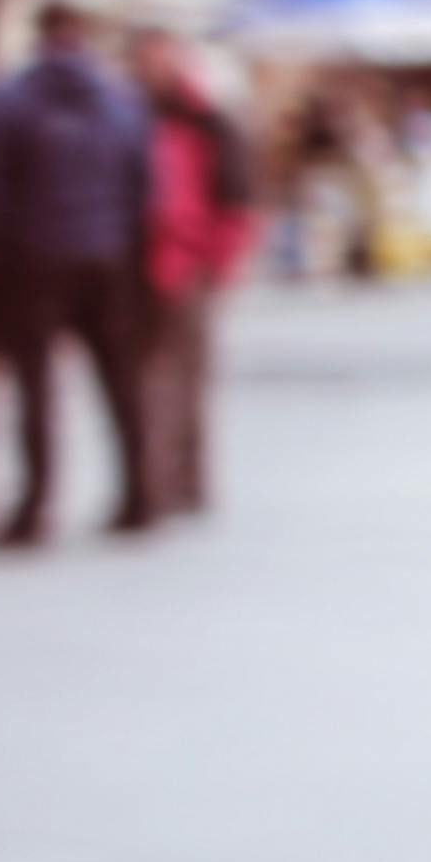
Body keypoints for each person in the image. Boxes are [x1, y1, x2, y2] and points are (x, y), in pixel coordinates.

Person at [0, 0, 152, 542]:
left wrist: (4, 239)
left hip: (34, 258)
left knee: (35, 385)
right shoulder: (118, 100)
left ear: (39, 34)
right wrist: (118, 232)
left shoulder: (9, 99)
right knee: (118, 380)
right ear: (84, 35)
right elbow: (144, 181)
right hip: (106, 254)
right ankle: (139, 495)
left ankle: (36, 505)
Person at [128, 31, 260, 515]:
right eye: (146, 59)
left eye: (161, 58)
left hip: (192, 266)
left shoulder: (210, 120)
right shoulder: (130, 115)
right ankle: (154, 478)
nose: (153, 68)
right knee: (150, 381)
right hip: (139, 266)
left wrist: (220, 263)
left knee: (185, 378)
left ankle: (185, 478)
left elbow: (238, 196)